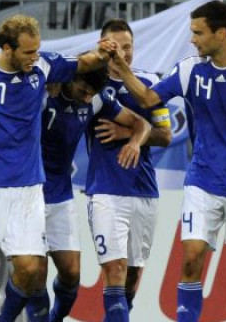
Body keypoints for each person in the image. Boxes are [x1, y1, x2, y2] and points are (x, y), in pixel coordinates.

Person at [106, 1, 226, 322]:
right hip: (201, 180)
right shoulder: (189, 69)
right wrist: (121, 68)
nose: (193, 39)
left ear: (221, 33)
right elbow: (148, 98)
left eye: (198, 33)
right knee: (191, 259)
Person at [0, 14, 113, 322]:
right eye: (28, 52)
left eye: (37, 49)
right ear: (7, 48)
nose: (34, 57)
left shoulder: (43, 66)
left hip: (29, 189)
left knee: (29, 269)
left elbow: (84, 63)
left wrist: (104, 53)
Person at [24, 68, 151, 322]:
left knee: (71, 274)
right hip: (28, 191)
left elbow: (143, 124)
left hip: (60, 193)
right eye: (83, 91)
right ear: (71, 79)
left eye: (90, 94)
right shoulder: (42, 92)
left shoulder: (97, 99)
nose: (86, 98)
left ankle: (55, 317)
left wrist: (134, 141)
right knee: (35, 272)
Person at [86, 18, 172, 320]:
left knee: (133, 273)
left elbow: (166, 135)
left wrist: (130, 134)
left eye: (128, 46)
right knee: (115, 269)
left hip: (143, 189)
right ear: (103, 46)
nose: (123, 53)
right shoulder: (91, 83)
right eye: (116, 47)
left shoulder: (149, 83)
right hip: (105, 189)